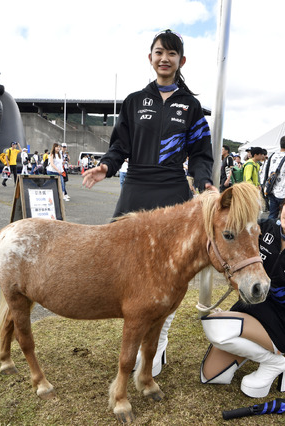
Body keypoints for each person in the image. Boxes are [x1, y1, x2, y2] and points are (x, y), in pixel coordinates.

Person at [83, 29, 215, 376]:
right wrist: (105, 167)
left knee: (172, 272)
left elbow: (202, 155)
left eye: (172, 54)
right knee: (122, 265)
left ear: (181, 61)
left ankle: (160, 342)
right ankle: (134, 329)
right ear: (150, 57)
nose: (164, 58)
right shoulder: (134, 101)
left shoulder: (191, 107)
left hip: (173, 190)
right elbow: (119, 147)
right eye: (159, 52)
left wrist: (205, 185)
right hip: (136, 187)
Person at [200, 180, 285, 398]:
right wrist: (216, 202)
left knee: (217, 328)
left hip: (282, 327)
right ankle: (257, 350)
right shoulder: (264, 228)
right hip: (249, 310)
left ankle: (274, 362)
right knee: (211, 375)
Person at [265, 135, 285, 220]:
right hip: (284, 193)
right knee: (284, 216)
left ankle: (270, 231)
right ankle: (280, 232)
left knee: (272, 215)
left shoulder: (272, 156)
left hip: (271, 190)